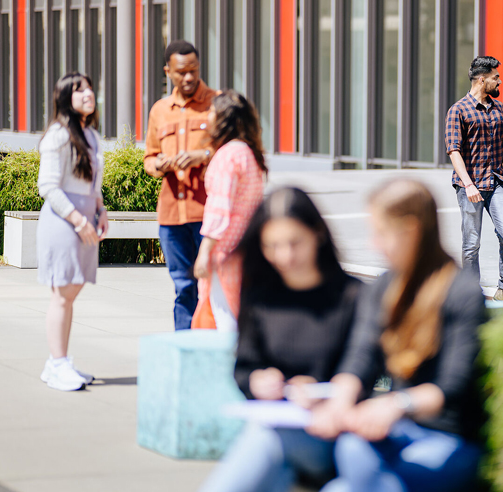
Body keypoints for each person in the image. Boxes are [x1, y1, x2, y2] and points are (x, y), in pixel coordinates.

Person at [311, 180, 488, 492]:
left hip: (452, 439)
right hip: (402, 430)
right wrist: (339, 402)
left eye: (380, 233)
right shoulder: (383, 289)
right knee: (352, 450)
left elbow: (453, 386)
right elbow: (361, 356)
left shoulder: (462, 292)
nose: (373, 245)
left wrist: (396, 404)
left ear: (411, 230)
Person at [198, 187, 363, 492]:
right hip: (279, 424)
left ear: (318, 234)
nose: (285, 256)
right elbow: (244, 368)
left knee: (266, 441)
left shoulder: (353, 296)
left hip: (336, 434)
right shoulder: (260, 296)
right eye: (273, 246)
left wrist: (323, 393)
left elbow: (363, 370)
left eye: (294, 243)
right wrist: (259, 381)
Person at [36, 72, 107, 391]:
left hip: (86, 218)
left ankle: (58, 362)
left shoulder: (89, 135)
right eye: (80, 90)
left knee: (72, 290)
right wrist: (78, 219)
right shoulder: (58, 134)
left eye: (90, 88)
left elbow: (92, 184)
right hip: (65, 221)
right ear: (66, 98)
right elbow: (48, 186)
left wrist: (100, 211)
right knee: (62, 294)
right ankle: (57, 363)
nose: (88, 94)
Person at [144, 40, 217, 331]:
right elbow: (149, 156)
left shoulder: (217, 102)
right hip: (172, 216)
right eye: (181, 72)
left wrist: (204, 155)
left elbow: (236, 147)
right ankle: (186, 349)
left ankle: (216, 351)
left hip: (208, 215)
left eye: (194, 70)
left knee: (212, 286)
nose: (188, 78)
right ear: (168, 72)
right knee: (184, 287)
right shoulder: (160, 110)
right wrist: (158, 165)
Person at [445, 56, 503, 302]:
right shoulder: (458, 110)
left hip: (496, 182)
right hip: (470, 186)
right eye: (495, 77)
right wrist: (468, 184)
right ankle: (470, 292)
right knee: (472, 243)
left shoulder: (498, 108)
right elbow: (453, 151)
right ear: (482, 79)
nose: (499, 81)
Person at [192, 90, 267, 331]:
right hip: (247, 248)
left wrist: (205, 251)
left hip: (225, 251)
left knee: (225, 318)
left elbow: (219, 209)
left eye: (213, 112)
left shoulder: (227, 156)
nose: (208, 117)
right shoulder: (249, 154)